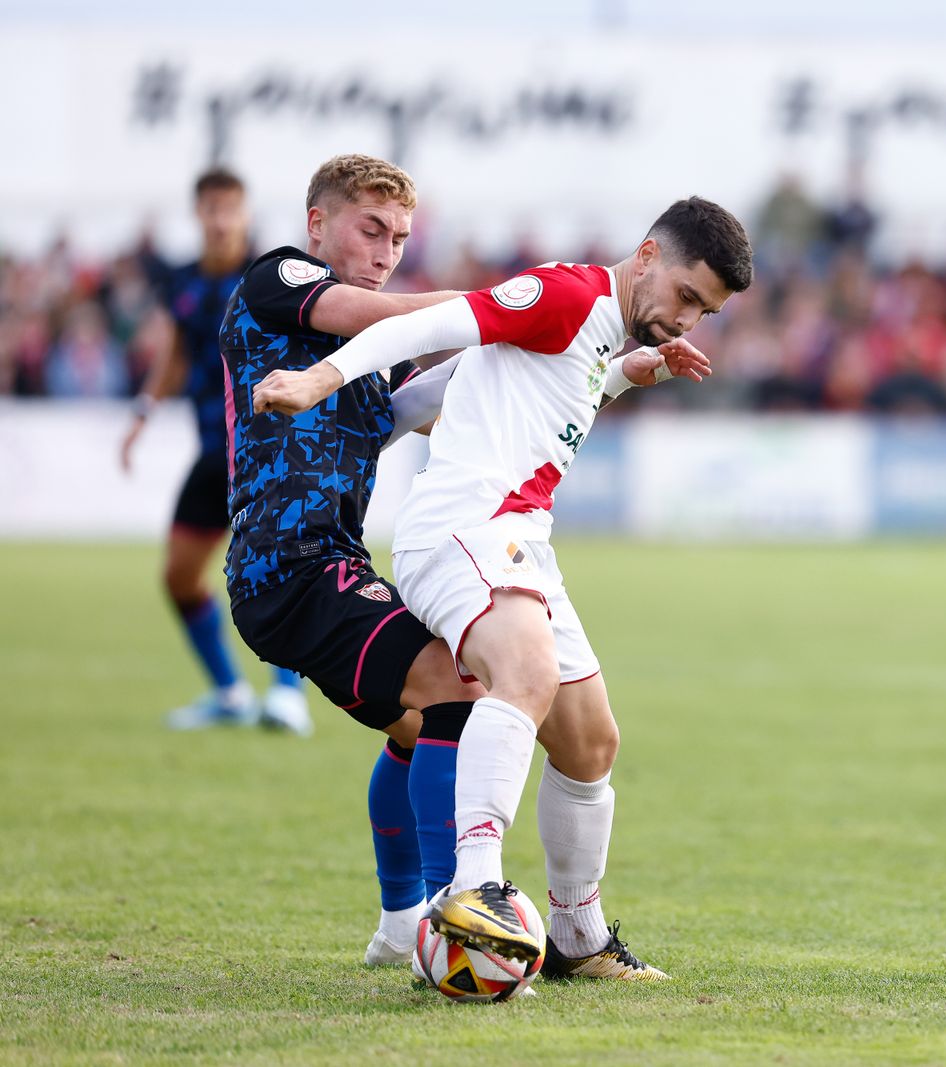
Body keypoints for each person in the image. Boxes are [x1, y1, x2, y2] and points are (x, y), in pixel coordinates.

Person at [251, 195, 751, 980]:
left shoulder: (597, 333)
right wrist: (319, 378)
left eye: (707, 311)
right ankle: (476, 889)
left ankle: (577, 939)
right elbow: (428, 329)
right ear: (648, 256)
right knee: (523, 677)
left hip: (520, 542)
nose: (690, 318)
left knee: (590, 742)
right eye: (688, 296)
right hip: (463, 529)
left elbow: (515, 392)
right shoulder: (566, 295)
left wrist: (628, 372)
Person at [218, 153, 487, 967]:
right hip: (288, 566)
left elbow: (423, 408)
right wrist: (505, 309)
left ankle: (399, 924)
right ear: (318, 224)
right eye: (371, 229)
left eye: (400, 237)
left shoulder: (376, 356)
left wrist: (584, 370)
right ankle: (455, 925)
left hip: (324, 565)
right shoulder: (278, 278)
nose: (386, 250)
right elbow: (399, 312)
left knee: (417, 724)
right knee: (452, 683)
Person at [120, 168, 310, 734]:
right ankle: (229, 693)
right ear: (198, 213)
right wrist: (141, 414)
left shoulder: (272, 275)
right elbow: (176, 356)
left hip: (265, 445)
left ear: (246, 212)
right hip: (211, 450)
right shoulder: (182, 283)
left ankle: (286, 695)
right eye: (212, 207)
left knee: (277, 568)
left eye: (231, 207)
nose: (221, 217)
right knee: (180, 576)